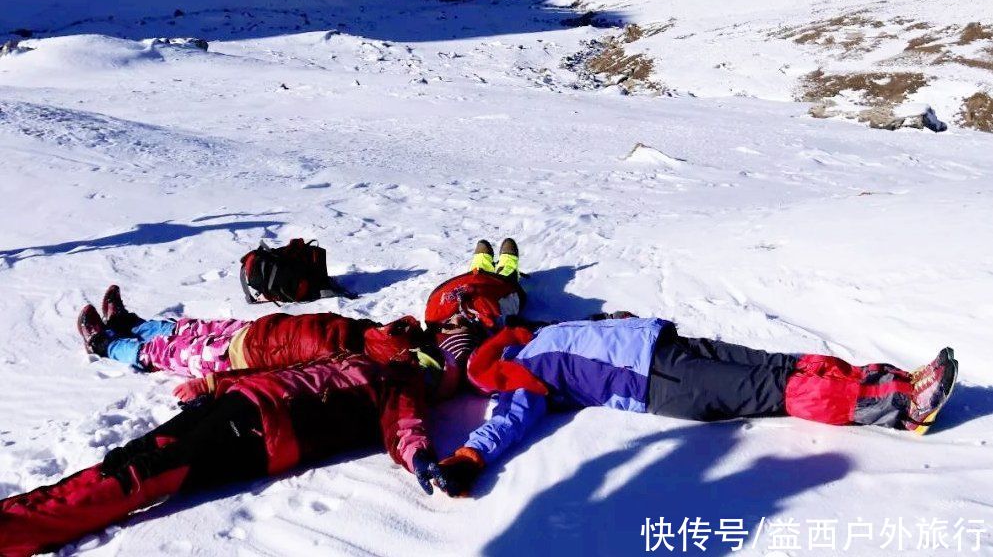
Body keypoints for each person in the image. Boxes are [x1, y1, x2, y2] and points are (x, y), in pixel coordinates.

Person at [0, 344, 459, 556]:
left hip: (262, 433)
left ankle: (14, 531)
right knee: (127, 458)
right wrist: (216, 383)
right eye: (414, 357)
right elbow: (290, 369)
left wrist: (419, 457)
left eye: (423, 364)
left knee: (144, 476)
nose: (412, 362)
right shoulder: (359, 360)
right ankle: (20, 514)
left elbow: (404, 426)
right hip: (236, 403)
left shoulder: (398, 385)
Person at [427, 318, 959, 497]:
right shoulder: (512, 377)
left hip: (667, 346)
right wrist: (469, 458)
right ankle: (903, 406)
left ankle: (893, 380)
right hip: (663, 382)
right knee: (777, 391)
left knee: (784, 365)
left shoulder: (534, 337)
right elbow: (508, 423)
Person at [75, 237, 525, 386]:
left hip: (241, 359)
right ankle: (132, 322)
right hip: (264, 330)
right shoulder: (376, 335)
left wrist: (217, 387)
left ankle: (110, 343)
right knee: (193, 327)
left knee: (169, 353)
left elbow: (296, 384)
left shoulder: (366, 364)